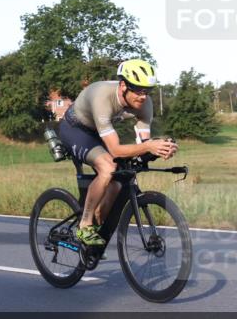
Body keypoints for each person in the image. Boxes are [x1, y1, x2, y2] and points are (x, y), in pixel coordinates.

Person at [58, 59, 177, 246]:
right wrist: (148, 146)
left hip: (99, 131)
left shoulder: (145, 104)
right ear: (123, 86)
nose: (143, 96)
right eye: (138, 90)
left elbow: (143, 142)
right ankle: (85, 224)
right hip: (75, 129)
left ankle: (97, 226)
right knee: (108, 167)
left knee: (117, 182)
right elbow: (115, 149)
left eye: (147, 91)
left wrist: (159, 148)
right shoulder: (103, 97)